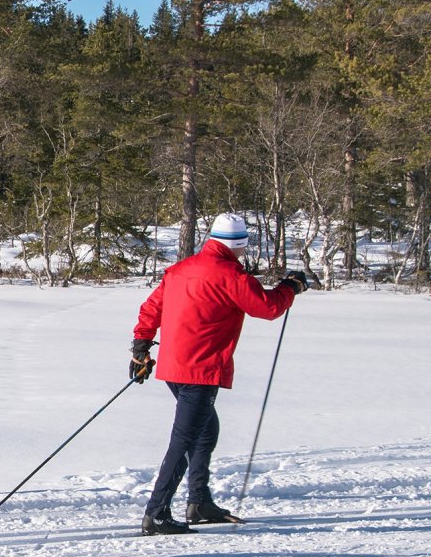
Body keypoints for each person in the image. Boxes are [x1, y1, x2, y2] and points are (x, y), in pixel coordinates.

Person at [129, 213, 306, 535]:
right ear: (239, 244)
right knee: (185, 440)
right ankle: (155, 514)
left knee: (206, 430)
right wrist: (290, 287)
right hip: (201, 368)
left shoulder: (182, 269)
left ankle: (199, 503)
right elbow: (266, 308)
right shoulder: (230, 275)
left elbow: (153, 307)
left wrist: (141, 344)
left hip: (174, 366)